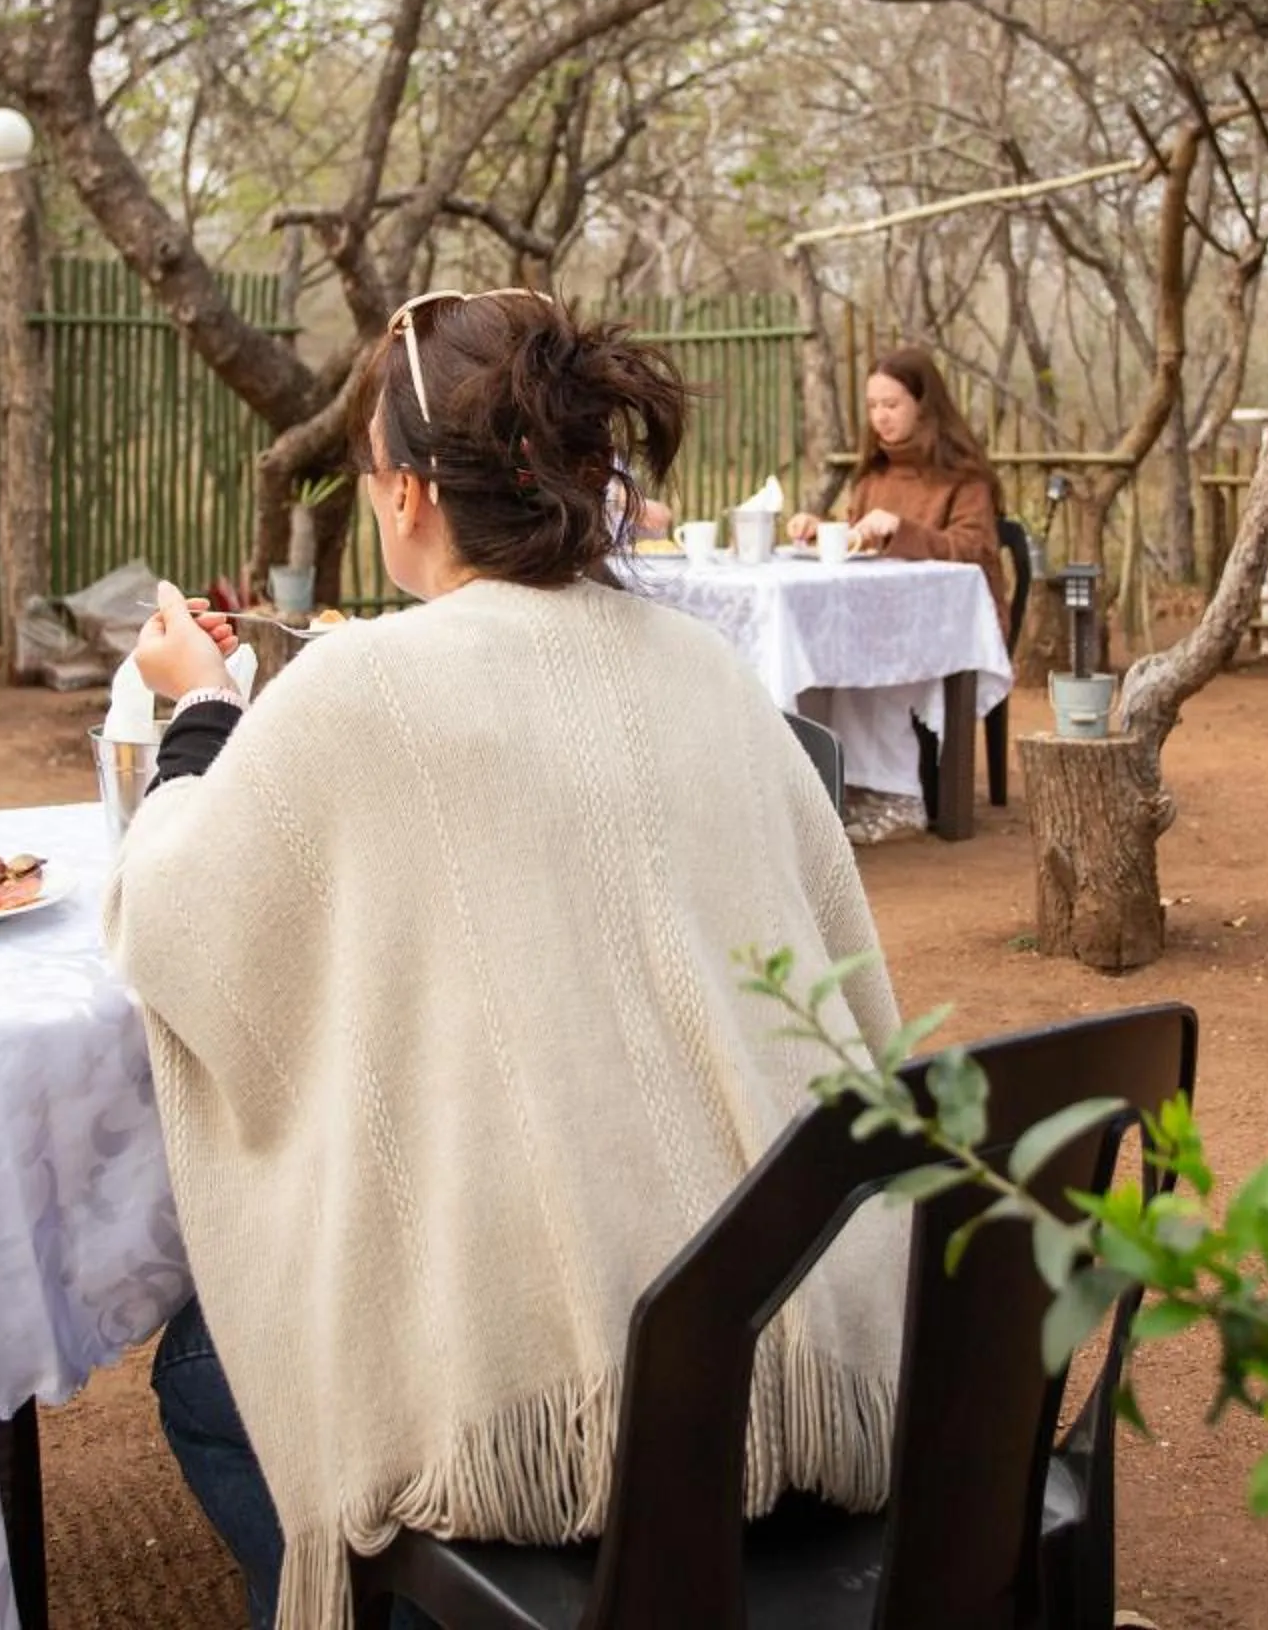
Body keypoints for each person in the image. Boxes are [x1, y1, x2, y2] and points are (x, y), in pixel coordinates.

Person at [105, 288, 907, 1630]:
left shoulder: (359, 690)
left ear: (408, 493)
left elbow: (172, 922)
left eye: (368, 479)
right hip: (810, 1336)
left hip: (563, 1424)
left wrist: (197, 714)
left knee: (201, 1375)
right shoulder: (713, 671)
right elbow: (848, 991)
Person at [787, 346, 1009, 844]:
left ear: (923, 405)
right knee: (814, 661)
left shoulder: (964, 478)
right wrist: (817, 530)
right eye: (872, 406)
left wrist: (903, 529)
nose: (881, 417)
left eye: (892, 404)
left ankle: (897, 798)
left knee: (873, 664)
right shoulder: (873, 477)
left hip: (947, 625)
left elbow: (974, 551)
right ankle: (830, 787)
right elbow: (859, 539)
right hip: (877, 618)